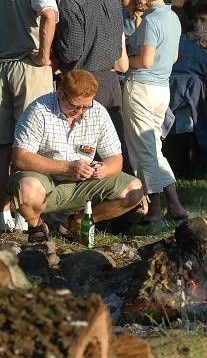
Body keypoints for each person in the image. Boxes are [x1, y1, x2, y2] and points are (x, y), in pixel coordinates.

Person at [8, 70, 144, 243]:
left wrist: (104, 170)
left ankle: (77, 222)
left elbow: (116, 159)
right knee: (27, 187)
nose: (80, 112)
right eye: (74, 106)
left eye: (86, 106)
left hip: (82, 185)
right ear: (60, 93)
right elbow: (20, 157)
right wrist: (68, 167)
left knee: (134, 190)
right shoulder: (39, 110)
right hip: (45, 182)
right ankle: (36, 228)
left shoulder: (99, 113)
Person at [123, 0, 188, 223]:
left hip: (141, 87)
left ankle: (155, 210)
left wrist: (128, 60)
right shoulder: (172, 17)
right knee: (154, 148)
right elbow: (173, 56)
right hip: (162, 89)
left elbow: (146, 60)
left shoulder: (152, 20)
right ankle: (175, 205)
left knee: (143, 152)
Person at [54, 0, 130, 173]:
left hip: (84, 84)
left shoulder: (71, 1)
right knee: (113, 148)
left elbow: (71, 51)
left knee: (85, 150)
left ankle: (87, 202)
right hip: (111, 79)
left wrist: (54, 47)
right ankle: (126, 199)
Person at [0, 0, 58, 231]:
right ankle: (27, 216)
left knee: (2, 145)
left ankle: (3, 215)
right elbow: (48, 14)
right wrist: (44, 56)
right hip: (27, 65)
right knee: (32, 143)